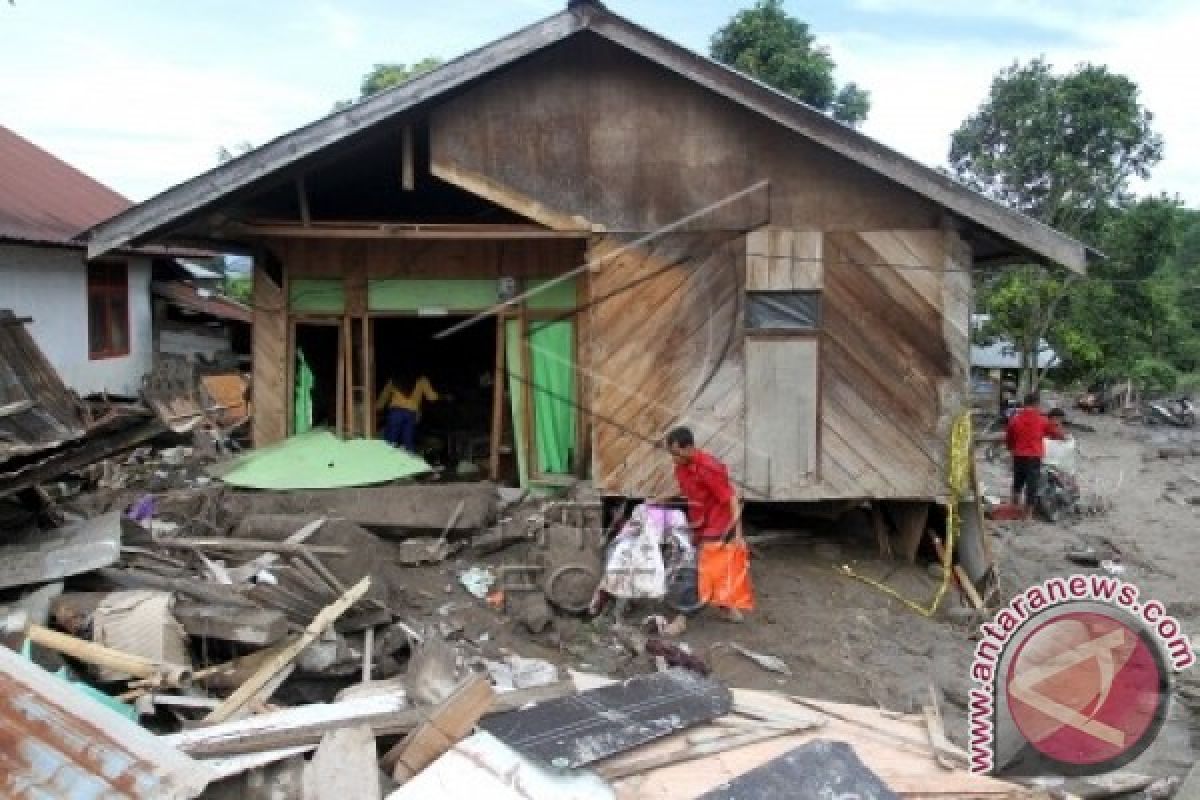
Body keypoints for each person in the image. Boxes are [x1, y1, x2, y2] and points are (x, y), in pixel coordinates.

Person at [661, 426, 754, 622]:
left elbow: (732, 499)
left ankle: (683, 617)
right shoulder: (681, 467)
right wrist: (661, 499)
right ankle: (724, 606)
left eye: (676, 453)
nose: (673, 458)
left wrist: (738, 535)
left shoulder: (710, 468)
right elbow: (689, 493)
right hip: (699, 522)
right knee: (699, 564)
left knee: (701, 568)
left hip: (717, 523)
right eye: (671, 454)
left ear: (689, 448)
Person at [1006, 393, 1067, 518]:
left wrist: (1012, 449)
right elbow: (1057, 435)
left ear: (1024, 403)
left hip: (1018, 456)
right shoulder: (1042, 420)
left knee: (1018, 481)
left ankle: (1014, 507)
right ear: (1036, 404)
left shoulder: (1015, 419)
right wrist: (1058, 427)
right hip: (1033, 457)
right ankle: (1028, 514)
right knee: (1031, 484)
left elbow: (1009, 438)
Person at [376, 373, 439, 451]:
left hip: (395, 412)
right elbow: (432, 397)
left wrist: (377, 408)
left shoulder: (394, 379)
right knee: (408, 441)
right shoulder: (422, 379)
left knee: (390, 440)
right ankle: (409, 459)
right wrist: (442, 396)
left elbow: (384, 396)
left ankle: (387, 458)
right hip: (410, 414)